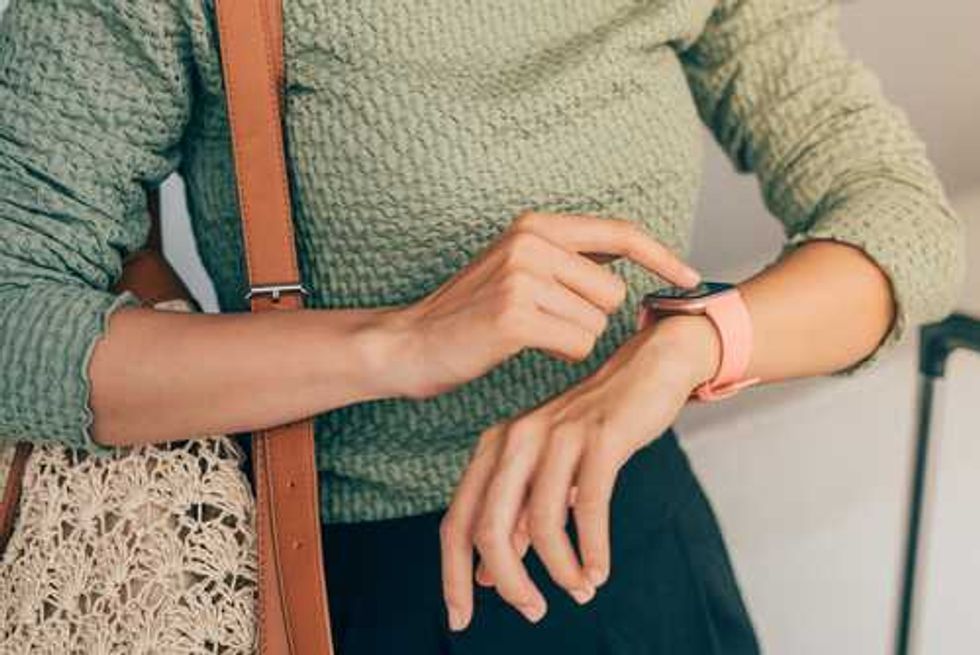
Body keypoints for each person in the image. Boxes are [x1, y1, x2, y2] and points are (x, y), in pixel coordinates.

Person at [0, 0, 965, 653]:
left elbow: (899, 216)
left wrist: (682, 347)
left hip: (634, 538)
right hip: (340, 576)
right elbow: (17, 318)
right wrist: (403, 342)